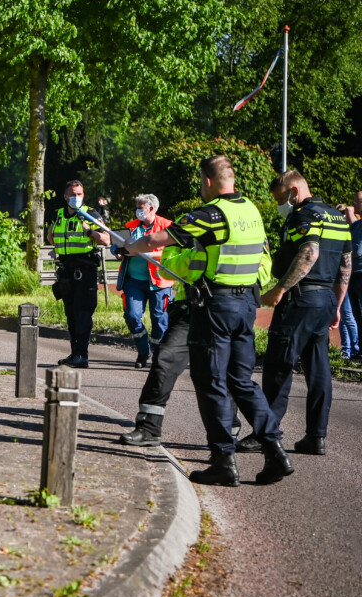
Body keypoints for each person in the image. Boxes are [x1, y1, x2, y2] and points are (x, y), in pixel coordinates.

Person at [123, 154, 291, 486]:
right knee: (241, 381)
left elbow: (159, 239)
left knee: (210, 381)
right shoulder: (251, 211)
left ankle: (223, 461)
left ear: (208, 181)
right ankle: (275, 450)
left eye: (202, 182)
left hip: (216, 307)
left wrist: (130, 247)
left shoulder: (211, 214)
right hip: (247, 306)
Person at [233, 170, 351, 457]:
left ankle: (266, 434)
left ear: (293, 191)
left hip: (300, 298)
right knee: (319, 370)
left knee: (278, 367)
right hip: (323, 300)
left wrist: (280, 289)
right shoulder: (337, 217)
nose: (280, 204)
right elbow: (345, 264)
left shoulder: (304, 215)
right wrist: (336, 304)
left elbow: (309, 252)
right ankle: (316, 436)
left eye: (280, 198)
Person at [46, 181, 110, 369]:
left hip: (85, 269)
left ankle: (82, 354)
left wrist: (89, 231)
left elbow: (106, 239)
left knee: (82, 313)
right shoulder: (58, 214)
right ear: (66, 197)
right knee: (71, 314)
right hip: (66, 269)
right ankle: (75, 353)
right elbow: (51, 236)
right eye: (73, 194)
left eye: (80, 194)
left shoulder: (91, 214)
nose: (77, 197)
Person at [114, 194, 174, 368]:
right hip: (133, 280)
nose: (138, 211)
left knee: (159, 320)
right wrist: (117, 251)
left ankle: (158, 355)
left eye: (141, 208)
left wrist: (149, 254)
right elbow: (117, 243)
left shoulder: (167, 226)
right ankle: (143, 351)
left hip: (159, 282)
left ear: (152, 209)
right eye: (137, 207)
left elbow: (173, 252)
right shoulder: (131, 227)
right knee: (132, 316)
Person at [342, 191, 362, 361]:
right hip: (353, 276)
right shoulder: (356, 226)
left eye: (358, 202)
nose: (354, 205)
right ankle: (359, 349)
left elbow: (356, 251)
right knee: (356, 314)